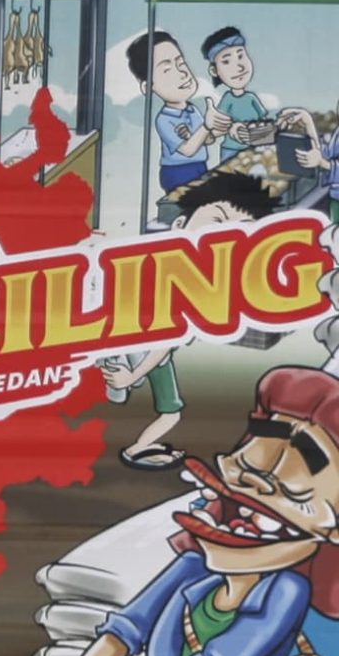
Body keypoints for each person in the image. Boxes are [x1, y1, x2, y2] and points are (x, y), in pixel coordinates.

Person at [6, 367, 339, 656]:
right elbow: (126, 629)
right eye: (241, 471)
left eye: (292, 495)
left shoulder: (285, 593)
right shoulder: (192, 567)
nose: (251, 492)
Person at [100, 170, 279, 471]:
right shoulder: (170, 275)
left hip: (143, 348)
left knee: (167, 411)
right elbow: (161, 345)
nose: (224, 238)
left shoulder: (200, 286)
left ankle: (138, 446)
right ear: (180, 225)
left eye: (241, 233)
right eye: (218, 222)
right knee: (154, 404)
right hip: (137, 346)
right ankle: (135, 443)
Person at [128, 30, 214, 214]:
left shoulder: (192, 109)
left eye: (181, 63)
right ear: (148, 87)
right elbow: (188, 150)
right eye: (168, 70)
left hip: (200, 167)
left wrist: (214, 128)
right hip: (177, 172)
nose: (182, 73)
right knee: (187, 210)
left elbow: (207, 141)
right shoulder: (164, 119)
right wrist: (207, 125)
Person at [203, 27, 270, 130]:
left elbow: (263, 118)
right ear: (214, 71)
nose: (239, 67)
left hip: (257, 142)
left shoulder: (251, 97)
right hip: (232, 146)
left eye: (240, 56)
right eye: (226, 62)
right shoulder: (227, 100)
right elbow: (220, 126)